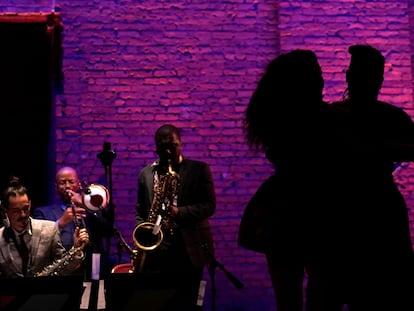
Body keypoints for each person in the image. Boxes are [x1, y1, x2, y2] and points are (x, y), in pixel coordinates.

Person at [238, 50, 349, 311]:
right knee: (322, 295)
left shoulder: (275, 117)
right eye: (318, 76)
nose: (323, 82)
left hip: (279, 210)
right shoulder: (326, 118)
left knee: (287, 298)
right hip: (319, 209)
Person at [331, 44, 414, 310]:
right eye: (358, 73)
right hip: (358, 207)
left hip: (362, 207)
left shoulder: (334, 117)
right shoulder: (336, 116)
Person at [135, 124, 216, 311]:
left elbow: (209, 206)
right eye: (163, 147)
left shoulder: (199, 169)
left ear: (181, 143)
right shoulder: (146, 174)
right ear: (156, 147)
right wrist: (142, 238)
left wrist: (179, 212)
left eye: (173, 145)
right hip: (157, 250)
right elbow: (140, 211)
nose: (169, 151)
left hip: (190, 248)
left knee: (190, 303)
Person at [0, 176, 89, 277]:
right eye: (16, 211)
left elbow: (64, 268)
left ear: (30, 204)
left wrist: (76, 249)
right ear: (5, 210)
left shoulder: (49, 229)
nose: (23, 215)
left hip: (44, 292)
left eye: (26, 208)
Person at [32, 166, 112, 278]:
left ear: (78, 184)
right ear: (56, 186)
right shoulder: (43, 212)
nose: (68, 186)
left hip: (93, 265)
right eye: (63, 183)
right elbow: (39, 240)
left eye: (71, 182)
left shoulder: (89, 209)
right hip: (63, 268)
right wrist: (60, 223)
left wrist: (86, 204)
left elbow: (108, 230)